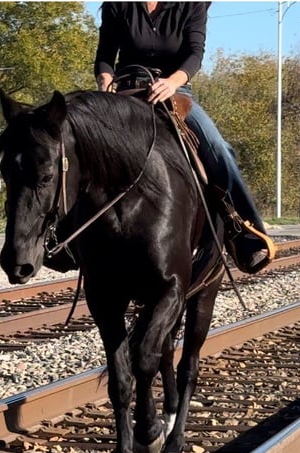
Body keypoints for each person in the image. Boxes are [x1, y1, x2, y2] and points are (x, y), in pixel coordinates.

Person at [94, 1, 275, 274]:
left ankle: (245, 232)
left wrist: (172, 82)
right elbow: (106, 53)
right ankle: (63, 235)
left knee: (220, 150)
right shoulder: (117, 5)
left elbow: (194, 54)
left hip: (175, 94)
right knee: (79, 142)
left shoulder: (192, 5)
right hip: (126, 92)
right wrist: (104, 84)